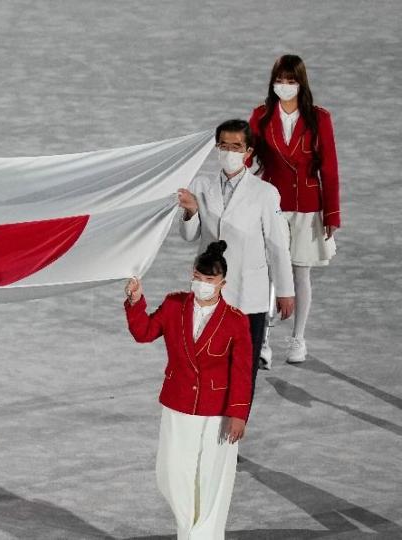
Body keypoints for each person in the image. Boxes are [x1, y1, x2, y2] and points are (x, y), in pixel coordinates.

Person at [124, 240, 252, 540]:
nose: (202, 284)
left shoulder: (235, 321)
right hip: (178, 403)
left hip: (217, 411)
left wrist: (238, 414)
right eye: (198, 277)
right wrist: (136, 302)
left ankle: (202, 536)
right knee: (172, 474)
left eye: (209, 280)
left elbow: (243, 372)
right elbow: (144, 333)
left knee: (211, 478)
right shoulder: (174, 305)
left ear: (223, 283)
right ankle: (187, 529)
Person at [177, 119, 295, 397]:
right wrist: (191, 211)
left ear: (248, 151)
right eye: (223, 146)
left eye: (236, 146)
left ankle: (234, 429)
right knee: (207, 365)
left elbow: (278, 246)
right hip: (210, 292)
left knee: (242, 371)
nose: (229, 152)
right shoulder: (200, 185)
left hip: (248, 297)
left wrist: (286, 291)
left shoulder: (265, 193)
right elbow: (189, 235)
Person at [249, 54, 340, 364]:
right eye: (280, 80)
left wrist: (332, 213)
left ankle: (298, 340)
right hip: (271, 204)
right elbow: (247, 156)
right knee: (270, 274)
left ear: (301, 83)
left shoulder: (319, 118)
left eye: (291, 80)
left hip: (307, 207)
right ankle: (263, 342)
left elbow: (329, 169)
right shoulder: (260, 116)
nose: (285, 86)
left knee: (300, 274)